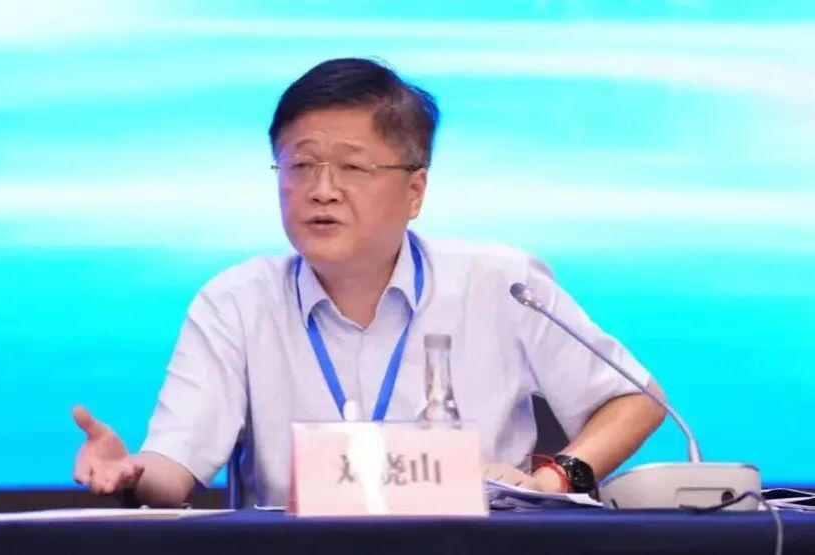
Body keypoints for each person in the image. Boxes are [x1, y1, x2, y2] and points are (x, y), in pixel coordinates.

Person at [72, 57, 666, 507]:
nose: (322, 190)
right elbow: (173, 469)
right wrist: (129, 474)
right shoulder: (235, 302)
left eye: (353, 167)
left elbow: (637, 398)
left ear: (415, 190)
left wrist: (557, 476)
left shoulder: (501, 284)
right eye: (301, 165)